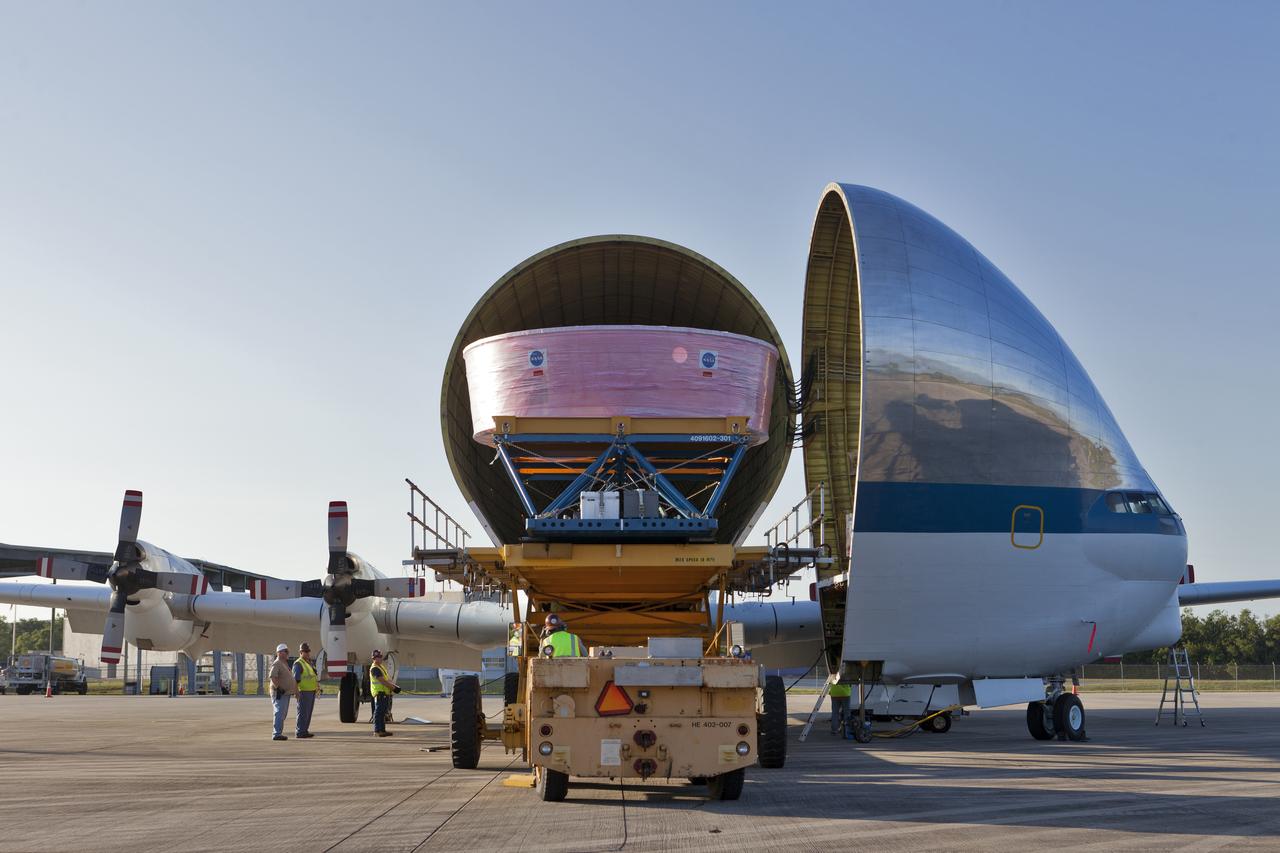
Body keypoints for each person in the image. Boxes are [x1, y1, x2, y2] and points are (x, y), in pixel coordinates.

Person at [268, 643, 298, 741]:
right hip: (280, 693)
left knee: (283, 713)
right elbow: (273, 676)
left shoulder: (284, 663)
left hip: (286, 693)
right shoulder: (277, 663)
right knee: (279, 712)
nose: (287, 653)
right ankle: (276, 734)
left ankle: (278, 732)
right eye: (285, 651)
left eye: (287, 651)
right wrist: (279, 688)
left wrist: (294, 690)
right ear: (279, 653)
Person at [368, 649, 400, 737]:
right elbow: (382, 681)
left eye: (380, 657)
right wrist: (394, 688)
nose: (379, 659)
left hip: (384, 694)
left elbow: (387, 679)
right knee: (378, 713)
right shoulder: (375, 669)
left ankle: (382, 730)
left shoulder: (381, 667)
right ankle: (377, 730)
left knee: (382, 713)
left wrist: (394, 686)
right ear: (373, 658)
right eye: (377, 657)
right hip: (379, 693)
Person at [292, 642, 320, 739]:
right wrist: (296, 692)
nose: (307, 653)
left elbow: (313, 676)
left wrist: (317, 688)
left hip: (311, 691)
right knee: (303, 712)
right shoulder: (298, 664)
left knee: (308, 713)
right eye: (305, 651)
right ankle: (299, 731)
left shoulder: (309, 663)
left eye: (308, 651)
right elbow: (295, 679)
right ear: (300, 652)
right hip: (303, 692)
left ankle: (304, 730)